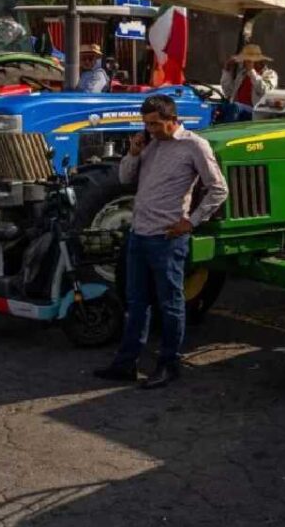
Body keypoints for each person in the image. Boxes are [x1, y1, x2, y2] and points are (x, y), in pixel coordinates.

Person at [94, 95, 229, 389]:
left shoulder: (194, 146)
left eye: (155, 124)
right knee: (136, 303)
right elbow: (125, 178)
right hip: (139, 233)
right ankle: (126, 363)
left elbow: (218, 189)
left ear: (172, 120)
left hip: (167, 238)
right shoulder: (151, 144)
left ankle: (169, 364)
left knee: (170, 304)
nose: (150, 129)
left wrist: (191, 222)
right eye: (146, 124)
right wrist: (133, 153)